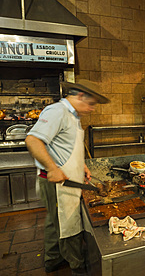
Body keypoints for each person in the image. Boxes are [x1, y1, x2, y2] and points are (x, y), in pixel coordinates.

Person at [25, 79, 110, 275]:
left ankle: (53, 260)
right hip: (57, 183)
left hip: (69, 179)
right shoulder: (58, 111)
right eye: (92, 103)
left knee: (54, 222)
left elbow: (65, 147)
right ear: (80, 96)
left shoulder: (73, 116)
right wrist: (52, 168)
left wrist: (83, 166)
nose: (93, 109)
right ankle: (78, 267)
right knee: (68, 225)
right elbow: (33, 140)